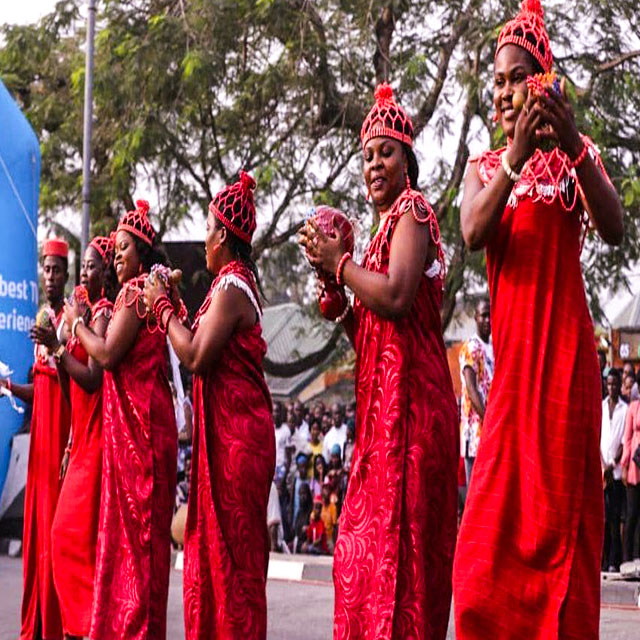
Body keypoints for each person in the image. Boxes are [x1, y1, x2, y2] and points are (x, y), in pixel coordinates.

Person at [453, 1, 625, 637]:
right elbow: (473, 231)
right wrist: (516, 157)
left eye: (516, 77)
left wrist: (573, 145)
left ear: (543, 83)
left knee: (561, 532)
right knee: (481, 557)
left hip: (566, 368)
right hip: (511, 376)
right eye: (497, 80)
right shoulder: (483, 167)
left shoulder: (578, 161)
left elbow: (614, 227)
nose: (503, 91)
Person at [300, 83, 458, 639]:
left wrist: (339, 266)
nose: (374, 164)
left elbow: (395, 296)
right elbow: (370, 334)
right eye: (366, 155)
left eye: (385, 151)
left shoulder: (413, 212)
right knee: (363, 563)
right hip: (380, 421)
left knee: (407, 570)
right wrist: (337, 296)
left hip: (414, 419)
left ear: (407, 160)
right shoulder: (374, 240)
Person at [143, 172, 275, 640]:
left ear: (223, 234)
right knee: (218, 559)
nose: (203, 241)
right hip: (228, 439)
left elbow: (196, 356)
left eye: (206, 230)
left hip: (238, 443)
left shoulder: (231, 287)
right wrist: (176, 308)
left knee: (232, 564)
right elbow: (198, 340)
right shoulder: (228, 286)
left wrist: (161, 307)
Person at [64, 200, 177, 639]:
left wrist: (75, 326)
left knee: (138, 548)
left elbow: (107, 355)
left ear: (143, 252)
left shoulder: (134, 293)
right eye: (115, 251)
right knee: (135, 549)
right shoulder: (148, 289)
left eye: (124, 248)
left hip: (141, 438)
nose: (117, 257)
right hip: (139, 432)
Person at [37, 236, 114, 639]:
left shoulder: (102, 315)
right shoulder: (84, 318)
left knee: (69, 539)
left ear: (107, 274)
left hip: (99, 442)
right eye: (83, 267)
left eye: (91, 266)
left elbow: (94, 379)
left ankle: (85, 628)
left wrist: (63, 345)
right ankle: (75, 628)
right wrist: (58, 349)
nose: (85, 273)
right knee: (67, 540)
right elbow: (71, 391)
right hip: (81, 439)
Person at [2, 238, 72, 640]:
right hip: (40, 439)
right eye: (46, 270)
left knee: (57, 533)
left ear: (66, 273)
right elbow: (39, 387)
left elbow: (71, 384)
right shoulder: (43, 317)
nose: (50, 276)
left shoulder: (69, 320)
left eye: (56, 270)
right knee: (38, 531)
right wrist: (8, 386)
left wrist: (56, 347)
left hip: (62, 433)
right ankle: (39, 621)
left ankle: (58, 622)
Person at [458, 298, 493, 488]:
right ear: (476, 317)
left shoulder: (494, 348)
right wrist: (488, 422)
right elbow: (472, 390)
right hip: (476, 434)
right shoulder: (471, 348)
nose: (488, 320)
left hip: (491, 434)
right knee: (475, 492)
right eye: (484, 316)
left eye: (490, 316)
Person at [600, 368, 627, 571]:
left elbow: (624, 442)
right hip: (601, 472)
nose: (612, 387)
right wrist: (602, 464)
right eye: (609, 384)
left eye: (615, 384)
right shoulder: (600, 407)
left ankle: (613, 561)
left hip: (616, 472)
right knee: (602, 518)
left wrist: (613, 464)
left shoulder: (625, 410)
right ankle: (602, 559)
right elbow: (596, 437)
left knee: (615, 518)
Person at [621, 398, 640, 561]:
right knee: (631, 513)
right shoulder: (634, 407)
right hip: (636, 464)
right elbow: (627, 439)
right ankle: (627, 558)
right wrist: (625, 465)